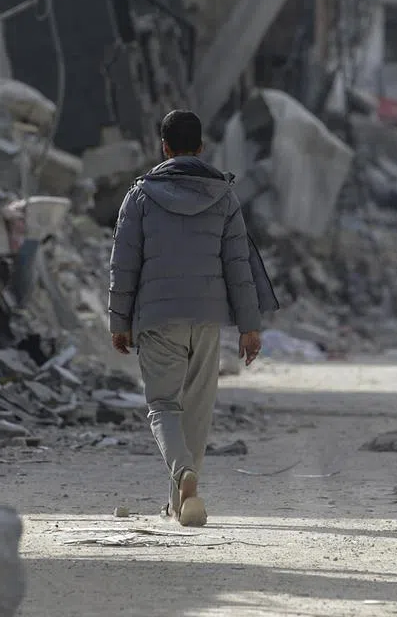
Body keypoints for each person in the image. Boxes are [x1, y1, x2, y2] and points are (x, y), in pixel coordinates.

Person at [108, 109, 275, 528]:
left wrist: (118, 321)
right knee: (197, 409)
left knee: (164, 404)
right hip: (206, 319)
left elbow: (123, 264)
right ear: (201, 148)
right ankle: (182, 498)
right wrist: (250, 327)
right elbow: (238, 265)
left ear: (163, 147)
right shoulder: (224, 197)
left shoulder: (140, 196)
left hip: (157, 317)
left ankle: (183, 481)